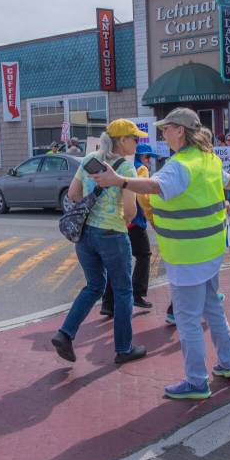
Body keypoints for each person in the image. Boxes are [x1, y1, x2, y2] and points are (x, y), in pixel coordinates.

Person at [91, 108, 230, 400]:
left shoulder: (180, 165)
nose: (163, 134)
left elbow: (154, 186)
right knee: (213, 308)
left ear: (181, 131)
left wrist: (120, 181)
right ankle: (227, 363)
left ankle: (197, 382)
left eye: (167, 128)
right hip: (211, 251)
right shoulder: (209, 159)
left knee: (187, 320)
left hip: (187, 256)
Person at [51, 119, 147, 365]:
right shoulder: (126, 169)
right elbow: (129, 212)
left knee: (94, 286)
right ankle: (123, 349)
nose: (137, 142)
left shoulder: (88, 159)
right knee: (124, 290)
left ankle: (65, 333)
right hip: (111, 233)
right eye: (134, 138)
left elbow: (72, 194)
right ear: (122, 141)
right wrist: (119, 217)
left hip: (84, 234)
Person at [100, 143, 158, 315]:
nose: (149, 162)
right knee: (144, 255)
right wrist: (151, 217)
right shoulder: (141, 170)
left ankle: (107, 303)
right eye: (148, 158)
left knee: (116, 262)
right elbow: (142, 197)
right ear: (142, 157)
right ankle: (138, 294)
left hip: (117, 220)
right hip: (134, 221)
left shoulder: (120, 166)